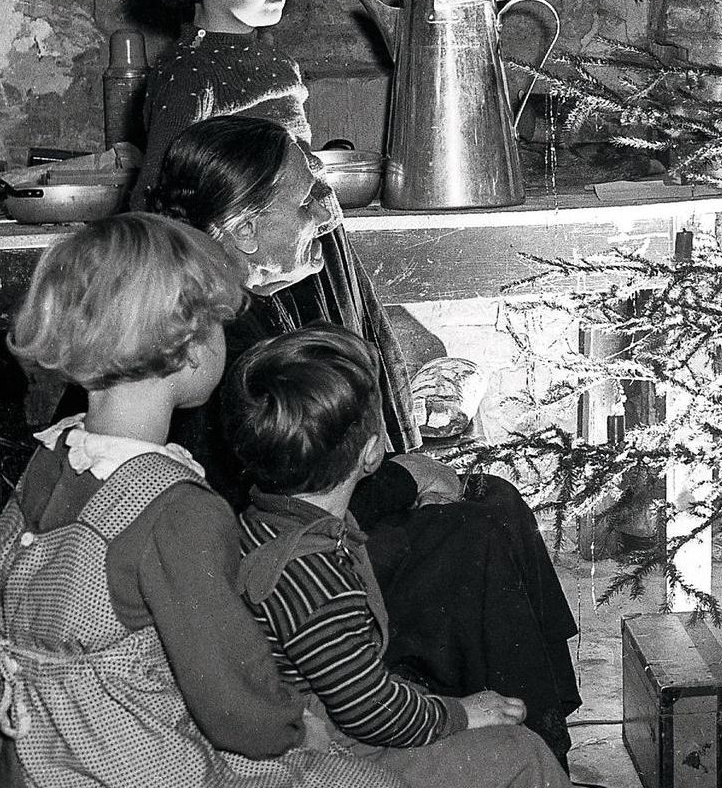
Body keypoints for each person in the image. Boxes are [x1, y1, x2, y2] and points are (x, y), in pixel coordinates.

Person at [148, 115, 584, 764]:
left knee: (492, 497)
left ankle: (547, 731)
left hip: (288, 520)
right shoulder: (213, 333)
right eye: (306, 201)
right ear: (243, 231)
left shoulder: (245, 293)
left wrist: (405, 472)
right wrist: (405, 479)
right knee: (472, 537)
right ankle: (523, 748)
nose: (326, 215)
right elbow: (273, 499)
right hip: (270, 573)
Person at [0, 213, 393, 788]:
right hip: (127, 761)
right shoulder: (175, 510)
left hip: (35, 751)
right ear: (190, 349)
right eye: (219, 324)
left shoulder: (55, 454)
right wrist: (296, 729)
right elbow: (233, 704)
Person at [130, 0, 423, 450]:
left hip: (312, 245)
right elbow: (163, 202)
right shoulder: (191, 74)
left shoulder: (271, 62)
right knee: (296, 415)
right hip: (257, 278)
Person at [227, 324, 568, 788]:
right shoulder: (318, 577)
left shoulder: (262, 524)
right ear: (371, 455)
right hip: (343, 756)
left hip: (325, 719)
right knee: (522, 751)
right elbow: (370, 713)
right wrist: (460, 714)